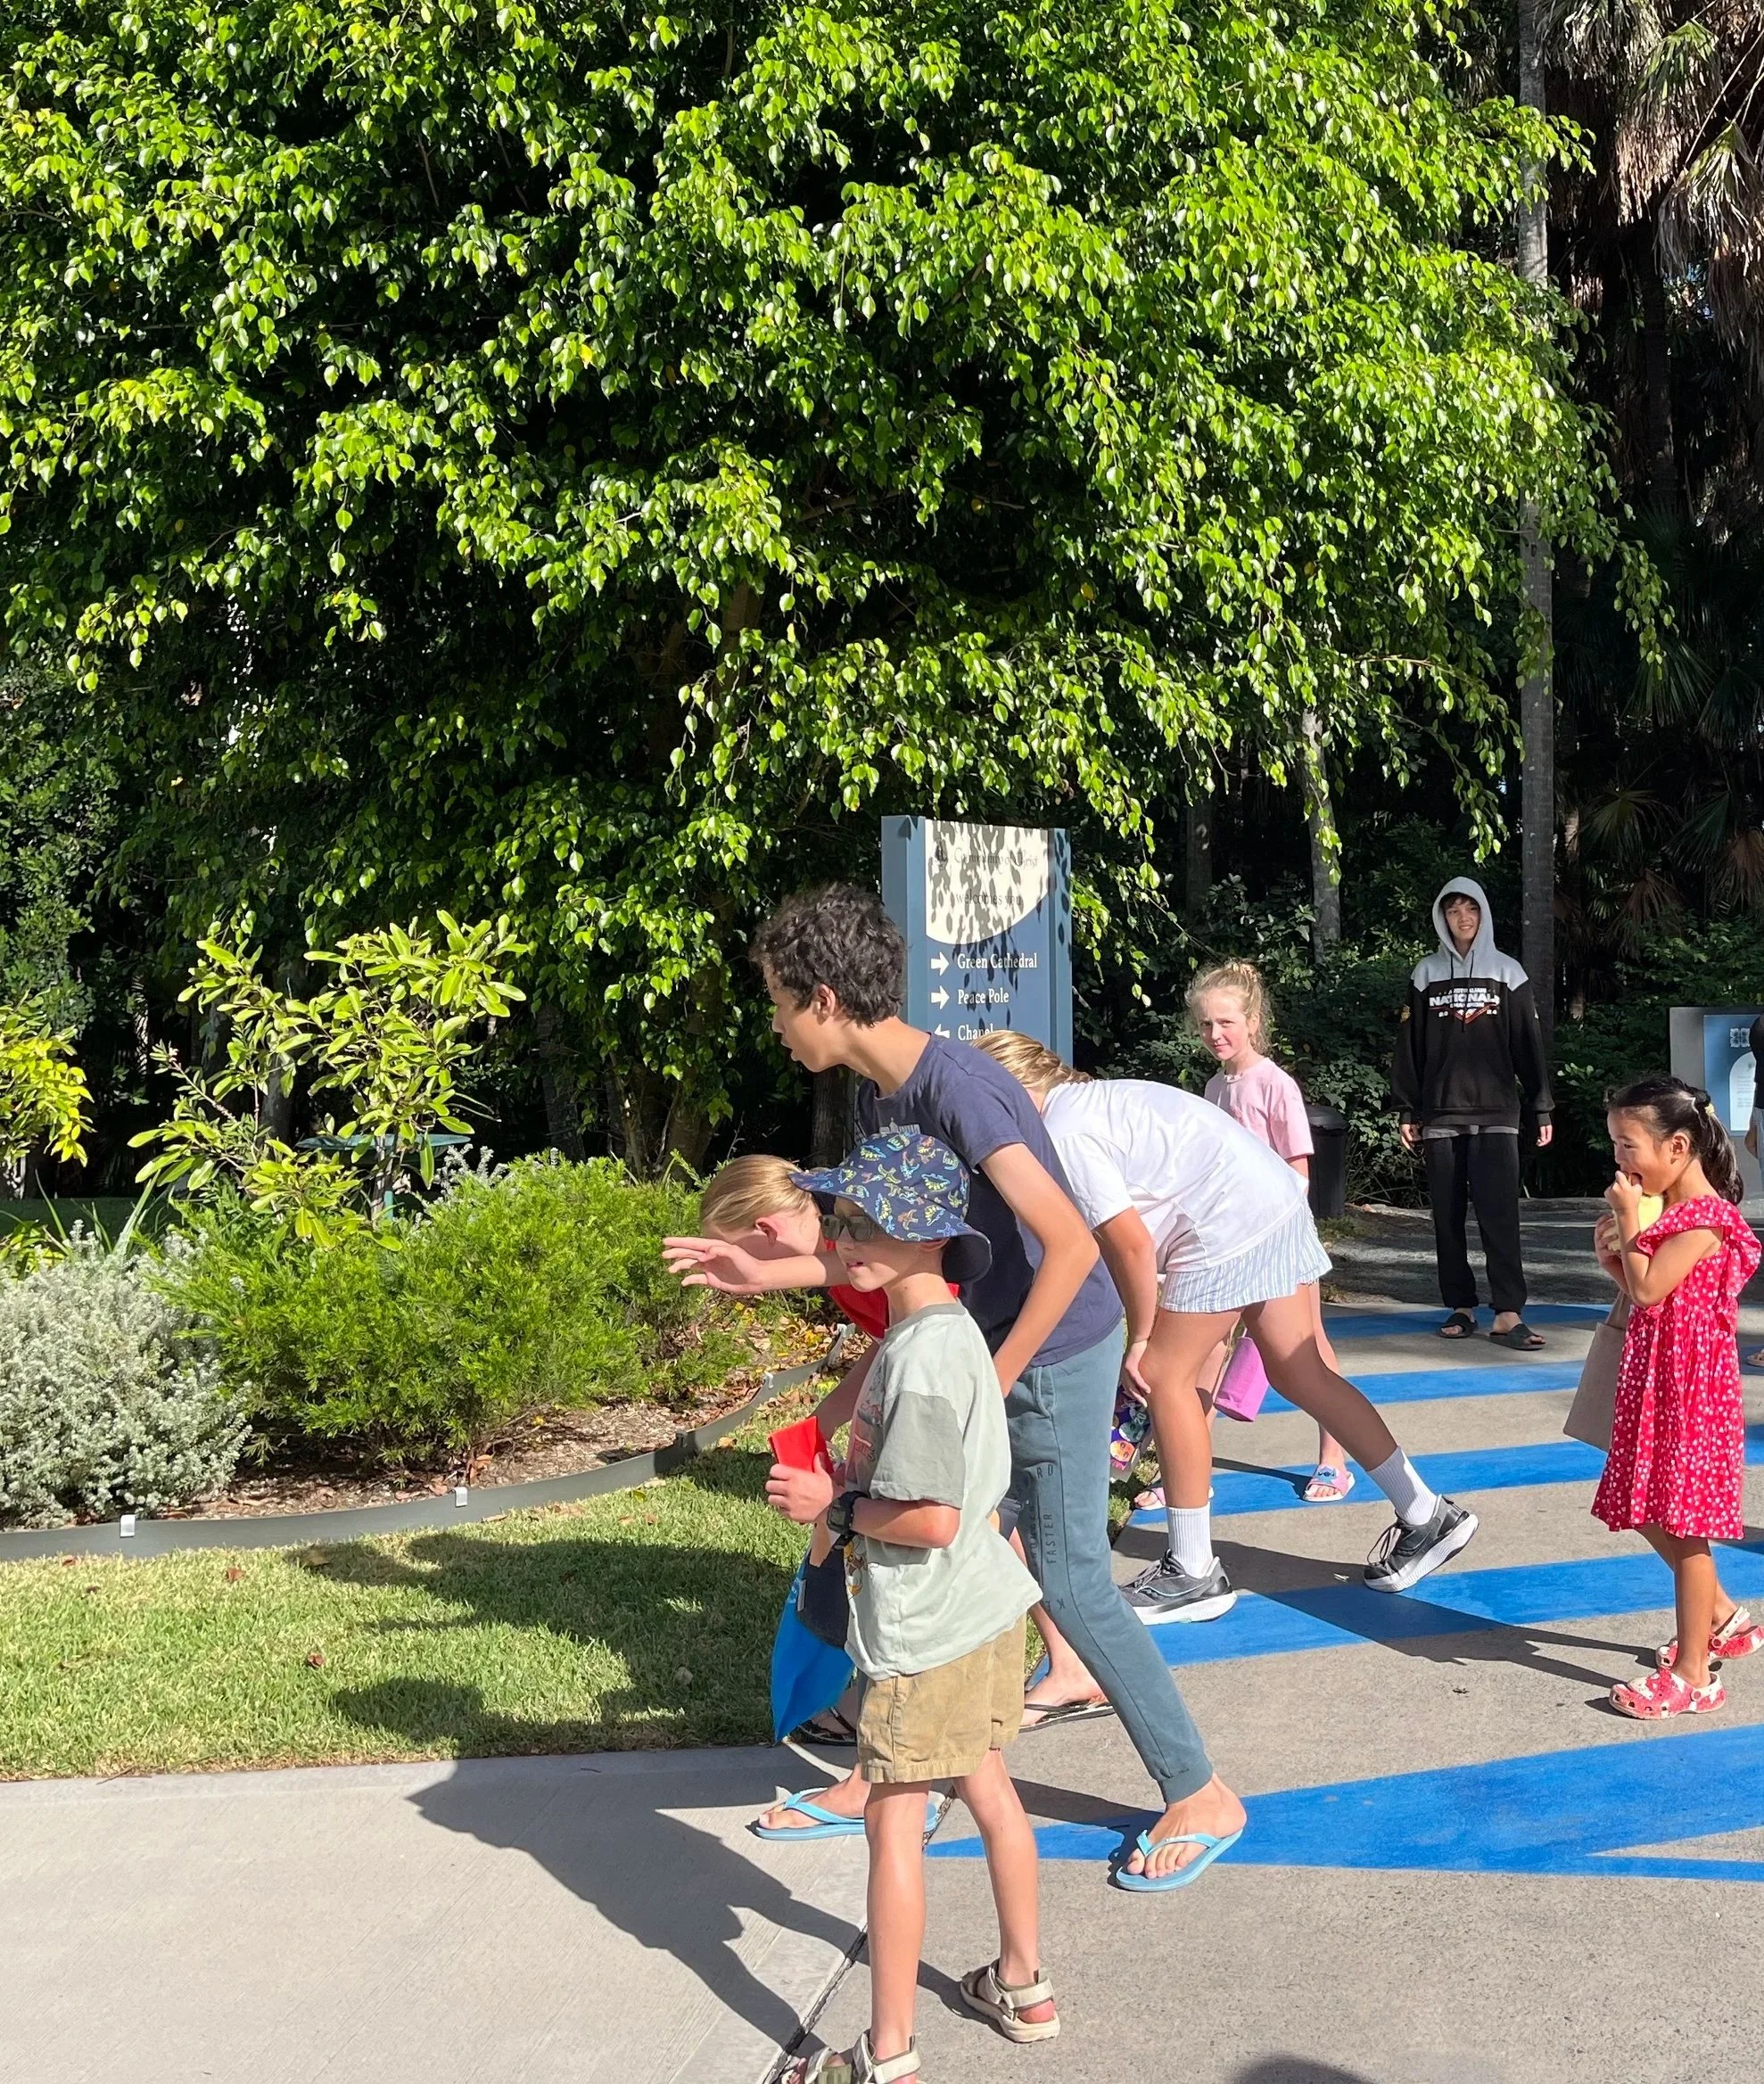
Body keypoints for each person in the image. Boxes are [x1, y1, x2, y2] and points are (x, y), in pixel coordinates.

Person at [665, 884, 1245, 1888]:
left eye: (775, 998)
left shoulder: (959, 1088)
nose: (771, 1020)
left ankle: (1199, 1791)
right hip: (984, 1354)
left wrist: (995, 1374)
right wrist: (769, 1270)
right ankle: (888, 1779)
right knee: (924, 1562)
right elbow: (895, 1248)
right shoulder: (877, 1095)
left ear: (826, 1000)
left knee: (1065, 1579)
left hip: (1053, 1353)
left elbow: (1068, 1244)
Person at [973, 1033, 1480, 1623]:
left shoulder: (1062, 1131)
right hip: (1269, 1200)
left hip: (1226, 1221)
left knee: (1164, 1376)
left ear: (1015, 1091)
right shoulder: (1086, 1104)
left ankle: (1192, 1571)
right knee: (1300, 1370)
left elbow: (1131, 1245)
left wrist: (1140, 1339)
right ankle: (1426, 1512)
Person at [767, 1130, 1059, 2084]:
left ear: (926, 1237)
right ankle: (1022, 1984)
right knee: (988, 1784)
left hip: (926, 1628)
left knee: (895, 1822)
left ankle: (884, 2054)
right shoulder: (940, 1331)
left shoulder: (923, 1358)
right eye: (841, 1218)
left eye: (864, 1221)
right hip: (981, 1613)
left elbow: (929, 1518)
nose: (844, 1238)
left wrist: (833, 1504)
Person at [1592, 1077, 1763, 1718]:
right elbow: (1638, 1285)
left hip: (1692, 1393)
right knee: (1643, 1503)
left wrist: (1633, 1223)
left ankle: (1697, 1674)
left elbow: (1650, 1290)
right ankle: (1720, 1618)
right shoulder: (1676, 1213)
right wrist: (1616, 1251)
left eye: (1628, 1145)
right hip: (1661, 1382)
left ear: (1679, 1145)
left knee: (1688, 1530)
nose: (1620, 1161)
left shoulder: (1706, 1219)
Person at [1191, 960, 1352, 1502]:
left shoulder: (1275, 1086)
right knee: (1209, 1346)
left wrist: (1264, 1230)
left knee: (1308, 1347)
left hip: (1282, 1239)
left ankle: (1335, 1457)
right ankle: (1191, 1467)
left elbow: (1297, 1176)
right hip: (1227, 1240)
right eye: (1207, 1024)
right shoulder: (1214, 1088)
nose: (1216, 1034)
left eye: (1227, 1023)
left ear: (1253, 1021)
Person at [1391, 877, 1554, 1349]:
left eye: (1471, 910)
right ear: (1442, 918)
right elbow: (1410, 1048)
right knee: (1446, 1216)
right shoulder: (1425, 973)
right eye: (1453, 911)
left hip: (1499, 1112)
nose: (1462, 919)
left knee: (1499, 1215)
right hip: (1440, 1114)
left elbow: (1529, 1044)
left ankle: (1507, 1312)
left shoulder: (1508, 972)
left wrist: (1540, 1106)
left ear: (1483, 914)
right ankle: (1461, 1305)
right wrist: (1407, 1107)